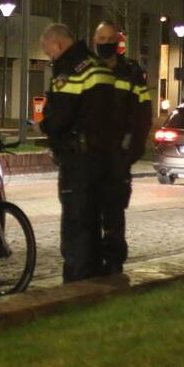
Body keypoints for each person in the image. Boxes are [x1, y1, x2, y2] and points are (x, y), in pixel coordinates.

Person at [38, 23, 119, 282]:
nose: (50, 57)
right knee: (94, 221)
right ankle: (95, 277)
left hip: (78, 160)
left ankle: (77, 282)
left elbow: (59, 116)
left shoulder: (69, 70)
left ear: (59, 45)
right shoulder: (97, 65)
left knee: (76, 224)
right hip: (102, 157)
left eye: (49, 52)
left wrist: (44, 125)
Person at [92, 21, 152, 274]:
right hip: (91, 156)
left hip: (118, 156)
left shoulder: (131, 72)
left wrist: (130, 154)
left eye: (110, 39)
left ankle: (114, 264)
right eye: (101, 39)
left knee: (114, 213)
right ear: (95, 42)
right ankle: (92, 261)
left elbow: (143, 116)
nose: (106, 44)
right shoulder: (86, 69)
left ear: (118, 42)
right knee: (88, 213)